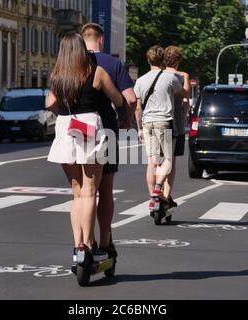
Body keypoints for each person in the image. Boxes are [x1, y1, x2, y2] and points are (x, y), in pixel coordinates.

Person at [45, 32, 123, 265]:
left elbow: (49, 103)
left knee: (77, 193)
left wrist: (64, 113)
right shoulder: (95, 72)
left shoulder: (57, 76)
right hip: (89, 125)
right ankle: (89, 246)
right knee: (91, 191)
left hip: (65, 127)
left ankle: (77, 244)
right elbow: (117, 99)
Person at [81, 23, 137, 255]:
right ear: (101, 40)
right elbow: (131, 99)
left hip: (76, 130)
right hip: (107, 130)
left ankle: (84, 243)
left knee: (83, 192)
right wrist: (127, 120)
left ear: (82, 39)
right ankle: (105, 241)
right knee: (105, 190)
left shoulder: (70, 62)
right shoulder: (113, 63)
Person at [134, 45, 182, 212]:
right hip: (164, 121)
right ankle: (158, 187)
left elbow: (137, 108)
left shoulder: (140, 81)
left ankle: (152, 198)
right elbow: (182, 95)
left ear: (148, 60)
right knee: (168, 159)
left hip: (147, 123)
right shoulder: (170, 78)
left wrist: (139, 128)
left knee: (152, 162)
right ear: (163, 60)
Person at [162, 46, 190, 207]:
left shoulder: (158, 75)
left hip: (155, 122)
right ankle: (166, 194)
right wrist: (186, 77)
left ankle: (156, 192)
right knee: (170, 161)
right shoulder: (179, 77)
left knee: (157, 161)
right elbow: (185, 97)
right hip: (175, 124)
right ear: (178, 61)